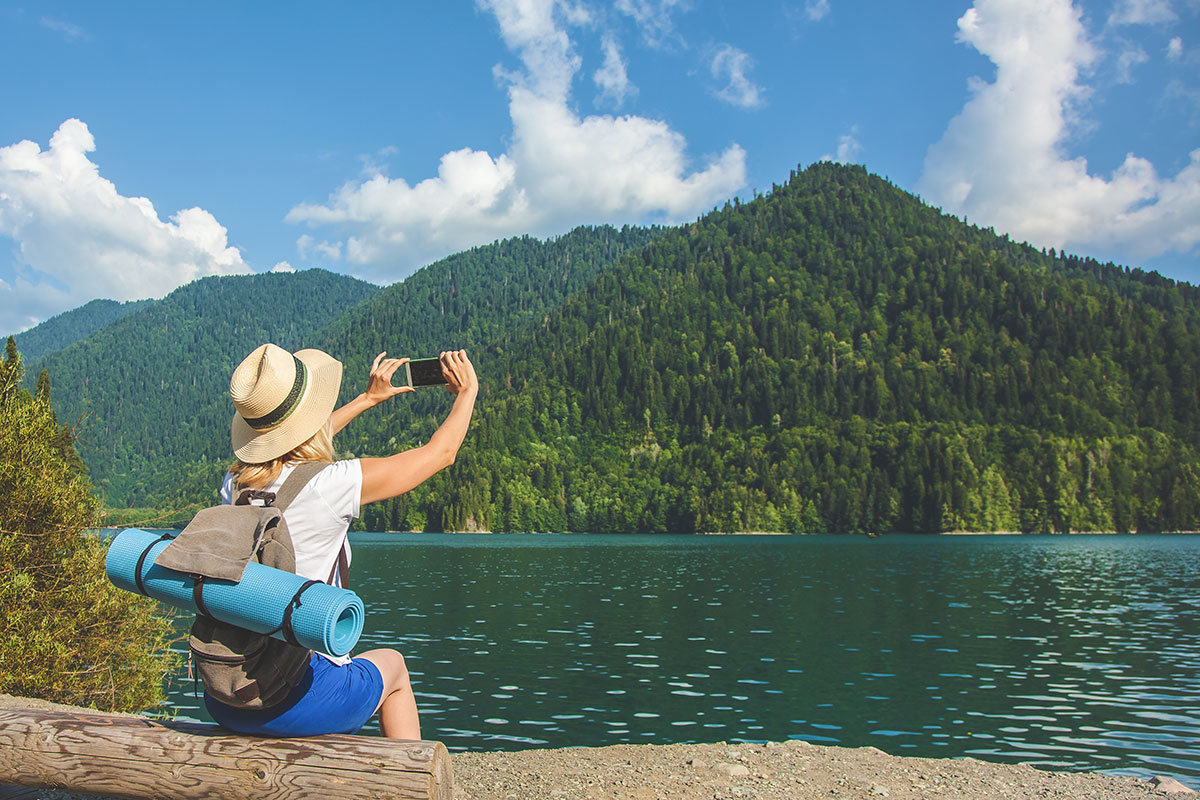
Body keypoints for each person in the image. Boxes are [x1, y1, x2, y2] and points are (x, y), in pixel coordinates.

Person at [204, 343, 478, 739]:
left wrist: (367, 400)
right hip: (294, 698)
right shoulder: (331, 484)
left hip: (228, 693)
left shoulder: (236, 483)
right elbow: (441, 453)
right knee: (394, 666)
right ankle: (411, 781)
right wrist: (467, 392)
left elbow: (293, 450)